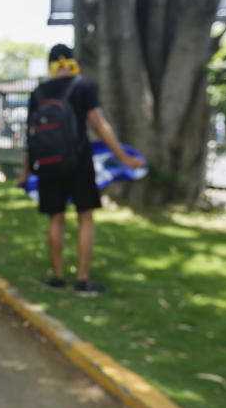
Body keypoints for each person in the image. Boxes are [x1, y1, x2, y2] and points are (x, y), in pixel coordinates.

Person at [18, 44, 145, 296]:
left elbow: (29, 138)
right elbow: (98, 123)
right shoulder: (83, 85)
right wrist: (123, 157)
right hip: (78, 163)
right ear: (72, 63)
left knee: (55, 218)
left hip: (47, 166)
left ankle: (57, 278)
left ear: (51, 64)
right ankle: (82, 280)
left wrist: (26, 172)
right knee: (85, 217)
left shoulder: (38, 93)